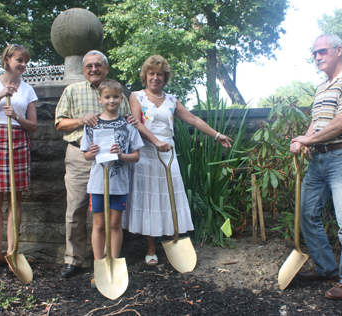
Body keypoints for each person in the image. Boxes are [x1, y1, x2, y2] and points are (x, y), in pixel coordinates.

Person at [122, 55, 233, 266]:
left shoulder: (172, 100)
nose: (155, 78)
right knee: (149, 199)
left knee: (168, 197)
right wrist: (155, 142)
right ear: (145, 76)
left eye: (160, 74)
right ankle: (151, 248)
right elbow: (136, 123)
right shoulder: (136, 96)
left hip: (168, 154)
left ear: (165, 78)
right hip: (146, 154)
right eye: (152, 73)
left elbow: (193, 119)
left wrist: (217, 135)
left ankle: (170, 241)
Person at [290, 34, 342, 300]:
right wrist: (304, 140)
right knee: (307, 213)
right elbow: (318, 123)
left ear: (338, 50)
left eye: (322, 51)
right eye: (313, 53)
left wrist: (308, 139)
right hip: (319, 159)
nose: (317, 57)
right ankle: (326, 268)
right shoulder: (322, 87)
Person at [55, 50, 135, 278]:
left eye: (98, 65)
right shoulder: (72, 91)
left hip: (114, 160)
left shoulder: (118, 92)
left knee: (111, 214)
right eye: (89, 66)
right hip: (82, 156)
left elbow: (128, 121)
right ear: (83, 70)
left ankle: (108, 260)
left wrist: (133, 122)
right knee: (77, 208)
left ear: (106, 68)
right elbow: (59, 123)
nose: (93, 69)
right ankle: (74, 259)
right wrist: (82, 120)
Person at [0, 43, 38, 275]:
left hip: (18, 141)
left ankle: (12, 253)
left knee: (15, 201)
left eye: (25, 61)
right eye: (19, 60)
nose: (23, 65)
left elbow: (33, 126)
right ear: (7, 59)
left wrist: (18, 117)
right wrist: (0, 96)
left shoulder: (28, 90)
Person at [81, 79, 144, 286]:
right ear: (100, 99)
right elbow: (86, 157)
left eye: (116, 97)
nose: (111, 100)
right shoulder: (92, 125)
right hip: (98, 184)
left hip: (119, 184)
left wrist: (120, 155)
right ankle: (99, 265)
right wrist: (92, 152)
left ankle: (115, 263)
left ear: (121, 99)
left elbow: (135, 156)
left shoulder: (128, 125)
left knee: (115, 224)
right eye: (107, 97)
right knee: (99, 225)